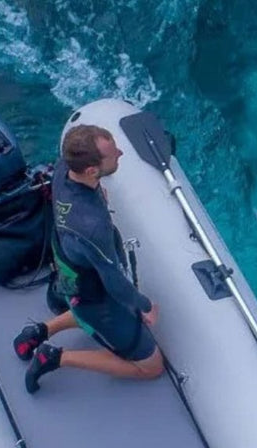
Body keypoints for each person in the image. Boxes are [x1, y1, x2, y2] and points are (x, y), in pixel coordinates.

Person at [12, 123, 165, 393]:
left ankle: (39, 332)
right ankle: (55, 357)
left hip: (70, 275)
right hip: (97, 300)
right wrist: (144, 305)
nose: (120, 153)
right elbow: (115, 284)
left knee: (83, 307)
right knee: (151, 368)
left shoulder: (63, 168)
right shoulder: (92, 227)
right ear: (92, 170)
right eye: (113, 152)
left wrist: (96, 197)